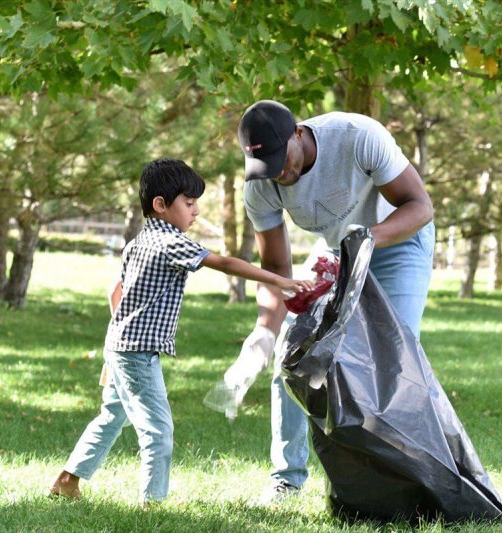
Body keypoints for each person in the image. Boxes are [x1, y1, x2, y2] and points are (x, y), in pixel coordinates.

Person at [48, 158, 314, 505]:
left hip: (117, 345)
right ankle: (153, 504)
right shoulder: (170, 242)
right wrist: (280, 280)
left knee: (112, 416)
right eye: (189, 203)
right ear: (161, 205)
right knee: (158, 430)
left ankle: (67, 480)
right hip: (136, 353)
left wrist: (120, 338)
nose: (196, 211)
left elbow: (116, 293)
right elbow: (224, 263)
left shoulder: (137, 242)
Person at [236, 100, 436, 503]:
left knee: (395, 359)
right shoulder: (261, 183)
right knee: (292, 356)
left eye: (280, 160)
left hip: (398, 243)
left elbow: (419, 206)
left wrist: (364, 240)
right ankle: (287, 478)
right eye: (266, 166)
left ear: (298, 133)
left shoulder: (357, 136)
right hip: (337, 251)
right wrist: (263, 332)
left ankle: (407, 480)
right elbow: (276, 268)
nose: (277, 173)